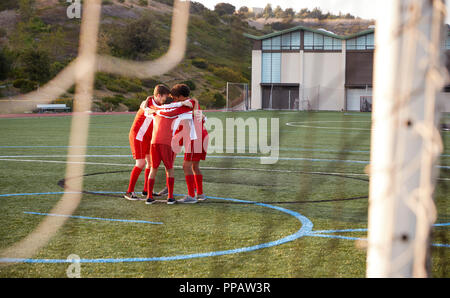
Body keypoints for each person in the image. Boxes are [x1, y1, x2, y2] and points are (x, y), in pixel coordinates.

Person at [144, 89, 194, 205]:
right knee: (169, 169)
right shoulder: (176, 111)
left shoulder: (156, 110)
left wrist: (148, 99)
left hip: (154, 142)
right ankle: (170, 197)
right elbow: (190, 105)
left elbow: (146, 107)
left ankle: (149, 197)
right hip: (167, 143)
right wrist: (181, 103)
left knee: (153, 168)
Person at [123, 84, 171, 201]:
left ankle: (146, 190)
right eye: (165, 97)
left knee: (151, 163)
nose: (166, 99)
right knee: (140, 164)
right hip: (138, 136)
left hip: (148, 137)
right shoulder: (149, 104)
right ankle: (129, 192)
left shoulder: (156, 103)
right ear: (159, 96)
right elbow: (150, 109)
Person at [169, 84, 208, 204]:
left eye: (175, 98)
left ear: (181, 96)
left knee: (186, 166)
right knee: (194, 166)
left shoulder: (189, 103)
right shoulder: (192, 102)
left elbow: (186, 105)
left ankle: (191, 195)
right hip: (200, 134)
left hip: (195, 137)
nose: (174, 100)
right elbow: (201, 117)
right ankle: (200, 193)